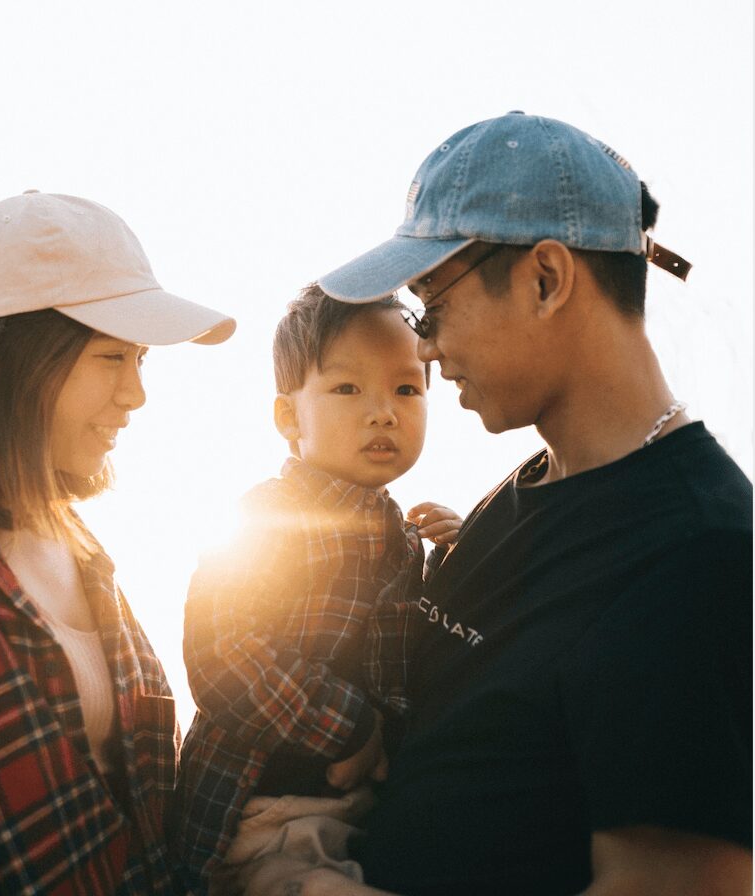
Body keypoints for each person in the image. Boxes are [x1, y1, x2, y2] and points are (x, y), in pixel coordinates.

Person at [249, 112, 753, 895]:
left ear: (545, 280)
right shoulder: (520, 493)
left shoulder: (694, 549)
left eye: (432, 305)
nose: (423, 346)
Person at [0, 191, 235, 895]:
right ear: (9, 358)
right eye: (110, 356)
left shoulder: (81, 549)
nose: (137, 394)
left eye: (141, 360)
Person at [173, 285, 462, 895]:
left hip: (351, 819)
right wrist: (352, 728)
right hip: (258, 821)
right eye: (347, 389)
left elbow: (415, 662)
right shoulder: (270, 518)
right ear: (288, 418)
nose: (383, 411)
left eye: (407, 389)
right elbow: (221, 653)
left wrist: (462, 557)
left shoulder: (406, 539)